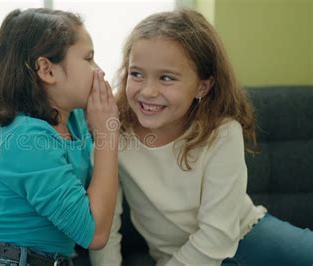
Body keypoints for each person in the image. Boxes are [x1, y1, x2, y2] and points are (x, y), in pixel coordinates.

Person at [90, 9, 313, 266]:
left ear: (202, 86)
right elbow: (104, 224)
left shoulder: (222, 132)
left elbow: (217, 235)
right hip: (182, 258)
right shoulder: (114, 133)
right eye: (136, 74)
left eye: (166, 78)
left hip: (249, 236)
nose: (148, 91)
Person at [0, 8, 120, 266]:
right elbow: (95, 234)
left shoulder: (74, 119)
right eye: (89, 59)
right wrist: (108, 137)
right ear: (46, 70)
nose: (100, 72)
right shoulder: (26, 138)